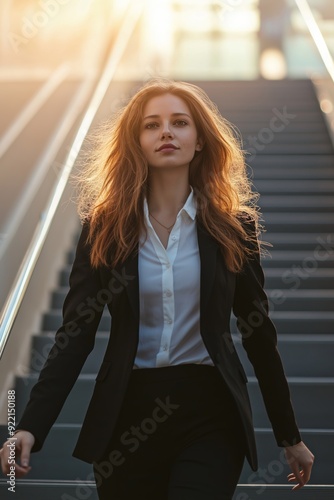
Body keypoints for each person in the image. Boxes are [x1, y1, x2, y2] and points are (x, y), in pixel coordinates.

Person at [0, 79, 314, 499]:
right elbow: (74, 336)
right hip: (126, 412)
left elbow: (258, 334)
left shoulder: (233, 230)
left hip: (210, 411)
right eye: (152, 125)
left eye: (179, 122)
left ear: (200, 140)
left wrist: (288, 435)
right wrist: (28, 426)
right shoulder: (104, 229)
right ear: (137, 142)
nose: (166, 132)